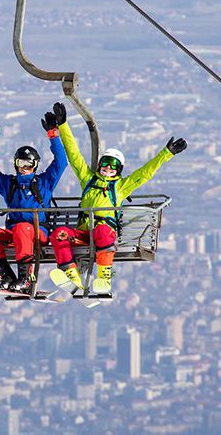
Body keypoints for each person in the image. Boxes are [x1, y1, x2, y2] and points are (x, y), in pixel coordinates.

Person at [49, 102, 187, 294]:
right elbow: (74, 155)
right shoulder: (88, 180)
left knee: (103, 231)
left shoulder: (120, 187)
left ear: (119, 169)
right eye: (105, 163)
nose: (108, 168)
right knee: (60, 233)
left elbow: (145, 173)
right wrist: (63, 125)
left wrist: (167, 153)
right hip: (83, 234)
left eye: (113, 165)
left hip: (104, 235)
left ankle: (104, 276)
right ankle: (72, 275)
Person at [0, 109, 67, 294]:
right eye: (21, 164)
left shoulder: (44, 182)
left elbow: (61, 162)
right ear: (16, 164)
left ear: (35, 166)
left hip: (38, 233)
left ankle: (25, 278)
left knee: (23, 227)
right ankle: (7, 276)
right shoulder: (10, 184)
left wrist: (53, 135)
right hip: (16, 233)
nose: (25, 169)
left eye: (29, 165)